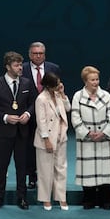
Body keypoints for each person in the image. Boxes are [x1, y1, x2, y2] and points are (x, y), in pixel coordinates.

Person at [0, 51, 36, 210]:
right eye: (16, 65)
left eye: (21, 64)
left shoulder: (27, 83)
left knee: (22, 166)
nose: (20, 68)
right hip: (4, 132)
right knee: (2, 165)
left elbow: (33, 103)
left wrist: (28, 113)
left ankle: (22, 198)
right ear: (8, 67)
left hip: (22, 131)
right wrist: (5, 117)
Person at [71, 66, 110, 210]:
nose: (96, 82)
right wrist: (87, 133)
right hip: (87, 141)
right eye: (92, 80)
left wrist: (104, 133)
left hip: (104, 139)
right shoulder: (78, 97)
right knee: (88, 170)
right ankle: (89, 200)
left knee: (105, 170)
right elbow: (75, 117)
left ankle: (106, 201)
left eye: (97, 79)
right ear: (85, 81)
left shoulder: (106, 96)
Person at [22, 41, 61, 190]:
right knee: (30, 148)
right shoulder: (23, 68)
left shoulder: (53, 68)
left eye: (41, 53)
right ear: (29, 54)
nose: (38, 56)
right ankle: (32, 177)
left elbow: (56, 90)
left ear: (44, 54)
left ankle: (49, 178)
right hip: (29, 116)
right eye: (35, 53)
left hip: (49, 115)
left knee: (50, 148)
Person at [33, 72, 71, 211]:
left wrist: (63, 93)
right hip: (46, 140)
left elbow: (68, 109)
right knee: (45, 171)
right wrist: (46, 140)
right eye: (56, 84)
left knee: (61, 168)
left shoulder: (58, 95)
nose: (59, 85)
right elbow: (41, 121)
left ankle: (61, 197)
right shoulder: (41, 99)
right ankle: (46, 199)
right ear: (48, 85)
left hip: (61, 137)